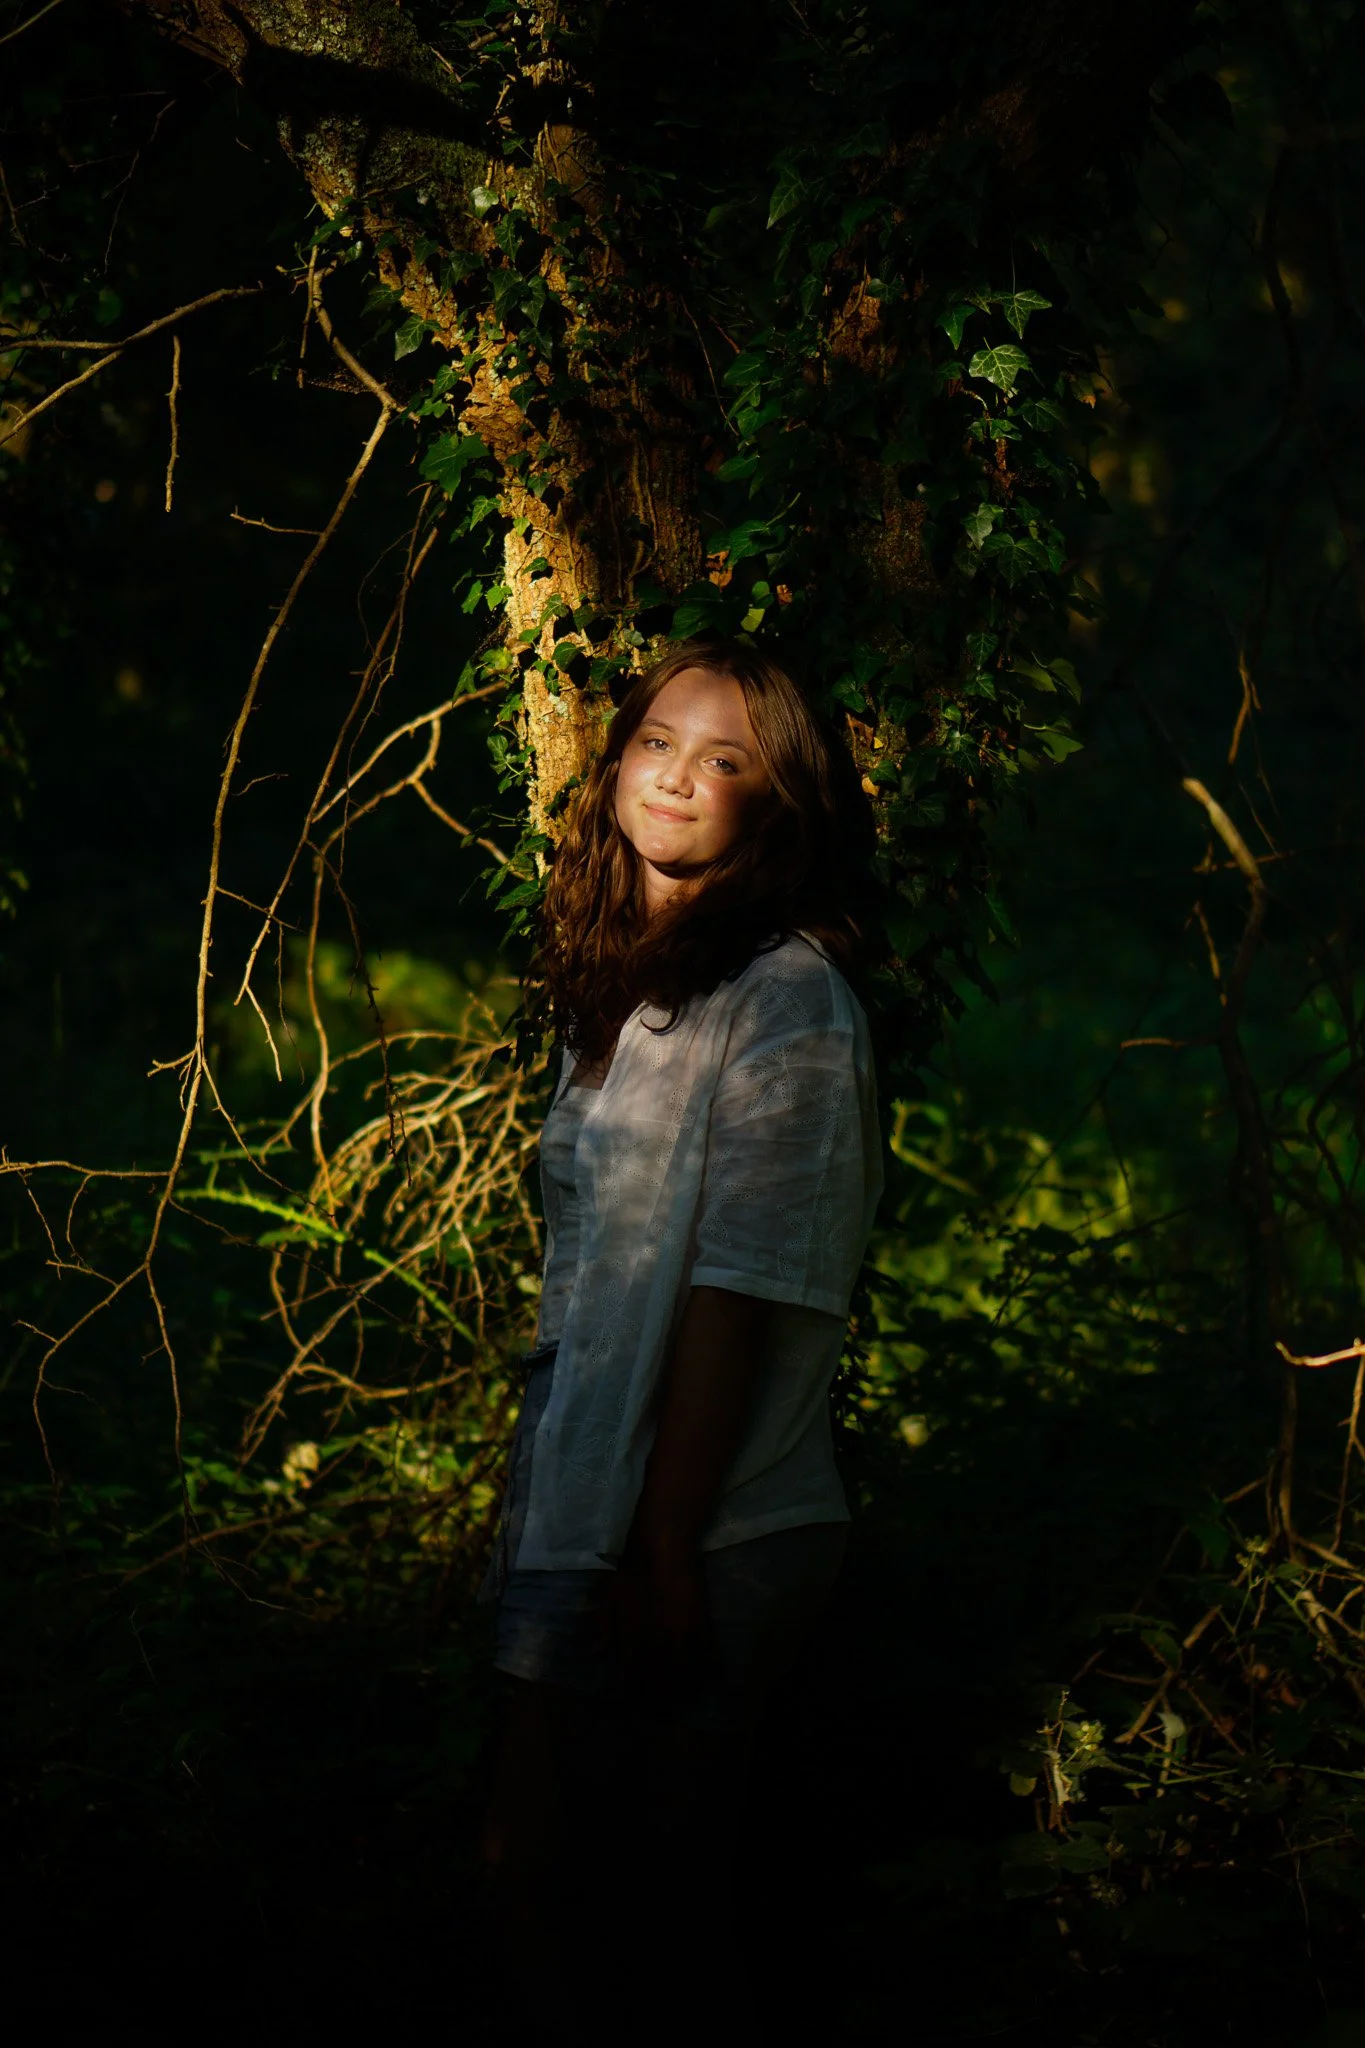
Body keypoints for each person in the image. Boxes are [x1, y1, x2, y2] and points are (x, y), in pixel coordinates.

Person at [480, 637, 882, 2041]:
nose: (678, 780)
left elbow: (738, 1290)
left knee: (655, 1920)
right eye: (658, 741)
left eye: (727, 762)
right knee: (535, 1882)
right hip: (582, 1514)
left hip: (704, 1530)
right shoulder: (625, 989)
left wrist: (661, 1553)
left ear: (779, 805)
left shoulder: (783, 998)